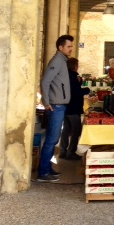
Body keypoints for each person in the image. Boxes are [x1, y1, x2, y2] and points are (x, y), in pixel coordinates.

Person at [38, 35, 74, 183]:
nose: (71, 49)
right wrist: (46, 102)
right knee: (51, 140)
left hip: (60, 105)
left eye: (71, 46)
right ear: (61, 47)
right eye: (69, 46)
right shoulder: (57, 61)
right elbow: (45, 81)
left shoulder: (62, 61)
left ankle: (47, 168)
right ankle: (43, 172)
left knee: (53, 139)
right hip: (56, 106)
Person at [59, 57, 90, 161]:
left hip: (65, 107)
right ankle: (71, 152)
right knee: (76, 130)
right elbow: (76, 92)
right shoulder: (74, 75)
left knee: (66, 130)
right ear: (75, 66)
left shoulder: (64, 75)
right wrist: (87, 90)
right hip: (74, 108)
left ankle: (62, 151)